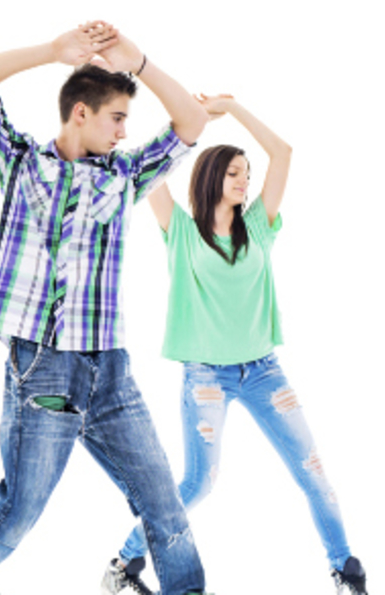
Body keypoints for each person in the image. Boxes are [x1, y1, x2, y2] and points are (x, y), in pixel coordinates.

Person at [0, 21, 213, 595]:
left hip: (111, 372)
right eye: (117, 118)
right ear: (81, 112)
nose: (125, 132)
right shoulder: (20, 162)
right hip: (43, 369)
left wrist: (140, 62)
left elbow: (191, 124)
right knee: (20, 509)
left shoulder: (125, 176)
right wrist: (51, 52)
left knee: (165, 506)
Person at [99, 94, 368, 595]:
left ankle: (347, 571)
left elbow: (283, 153)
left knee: (314, 472)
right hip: (206, 377)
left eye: (246, 172)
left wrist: (235, 107)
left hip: (264, 371)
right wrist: (186, 117)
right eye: (234, 174)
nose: (244, 181)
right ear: (209, 178)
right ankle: (125, 562)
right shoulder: (180, 230)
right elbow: (148, 166)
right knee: (198, 483)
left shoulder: (259, 227)